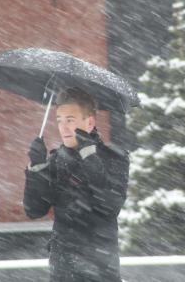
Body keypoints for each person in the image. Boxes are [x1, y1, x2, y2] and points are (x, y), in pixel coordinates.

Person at [24, 87, 129, 282]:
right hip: (63, 268)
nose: (63, 127)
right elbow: (34, 210)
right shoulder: (56, 160)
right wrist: (36, 168)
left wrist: (89, 155)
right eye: (59, 120)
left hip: (100, 267)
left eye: (70, 120)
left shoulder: (114, 158)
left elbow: (110, 206)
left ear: (89, 122)